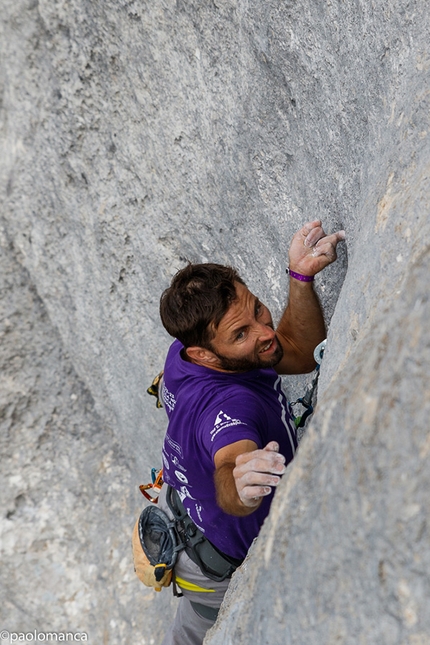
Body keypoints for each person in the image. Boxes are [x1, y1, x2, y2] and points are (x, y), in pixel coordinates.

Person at [157, 220, 345, 644]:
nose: (263, 332)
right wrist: (240, 485)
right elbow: (230, 463)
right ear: (204, 353)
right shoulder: (231, 405)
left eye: (257, 309)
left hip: (190, 532)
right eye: (241, 334)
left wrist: (299, 277)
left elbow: (294, 352)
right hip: (216, 573)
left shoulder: (184, 355)